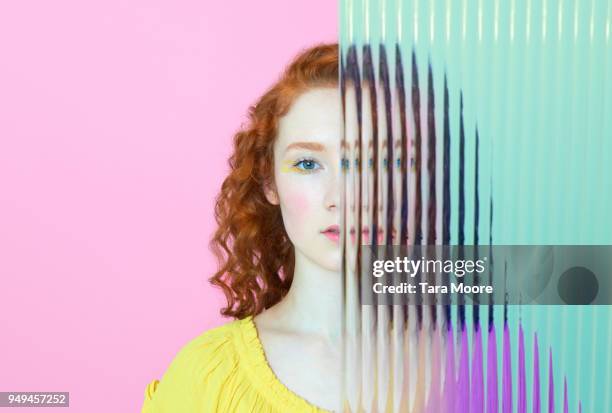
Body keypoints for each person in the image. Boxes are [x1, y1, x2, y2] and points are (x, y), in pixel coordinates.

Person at [141, 43, 341, 413]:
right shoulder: (205, 377)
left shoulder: (477, 370)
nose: (341, 197)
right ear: (269, 184)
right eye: (308, 164)